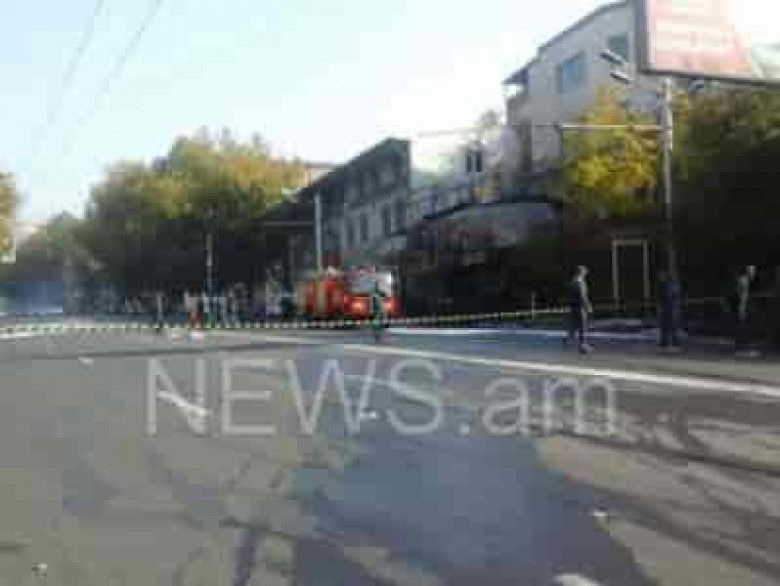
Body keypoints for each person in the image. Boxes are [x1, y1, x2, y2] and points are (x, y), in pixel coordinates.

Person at [731, 265, 758, 357]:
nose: (754, 273)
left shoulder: (743, 280)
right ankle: (741, 349)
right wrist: (742, 310)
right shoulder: (744, 281)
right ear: (748, 271)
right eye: (752, 271)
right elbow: (742, 297)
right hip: (741, 308)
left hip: (740, 308)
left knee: (741, 329)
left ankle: (740, 348)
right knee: (742, 329)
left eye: (754, 271)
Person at [567, 266, 593, 354]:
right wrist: (588, 306)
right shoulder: (580, 282)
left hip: (573, 306)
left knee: (573, 325)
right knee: (583, 327)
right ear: (581, 272)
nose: (585, 274)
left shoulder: (572, 282)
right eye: (584, 272)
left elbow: (570, 296)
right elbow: (583, 296)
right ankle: (583, 346)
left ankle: (568, 341)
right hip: (580, 307)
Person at [658, 271, 682, 351]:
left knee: (673, 326)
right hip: (665, 308)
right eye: (660, 276)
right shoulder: (663, 285)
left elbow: (674, 295)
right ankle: (663, 343)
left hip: (672, 308)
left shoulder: (672, 284)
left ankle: (675, 343)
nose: (660, 278)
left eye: (662, 276)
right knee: (664, 326)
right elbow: (662, 297)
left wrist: (673, 305)